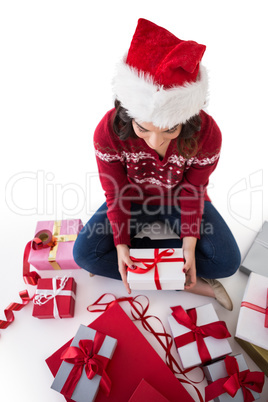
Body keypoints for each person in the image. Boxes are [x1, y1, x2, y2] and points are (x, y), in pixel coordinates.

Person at [73, 18, 241, 310]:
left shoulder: (207, 133)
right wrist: (122, 245)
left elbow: (194, 189)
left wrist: (188, 245)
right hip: (132, 198)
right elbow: (116, 191)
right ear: (128, 115)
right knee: (84, 254)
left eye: (169, 130)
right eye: (143, 129)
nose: (155, 141)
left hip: (179, 198)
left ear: (185, 120)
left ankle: (152, 270)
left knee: (227, 262)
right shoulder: (108, 130)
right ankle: (190, 284)